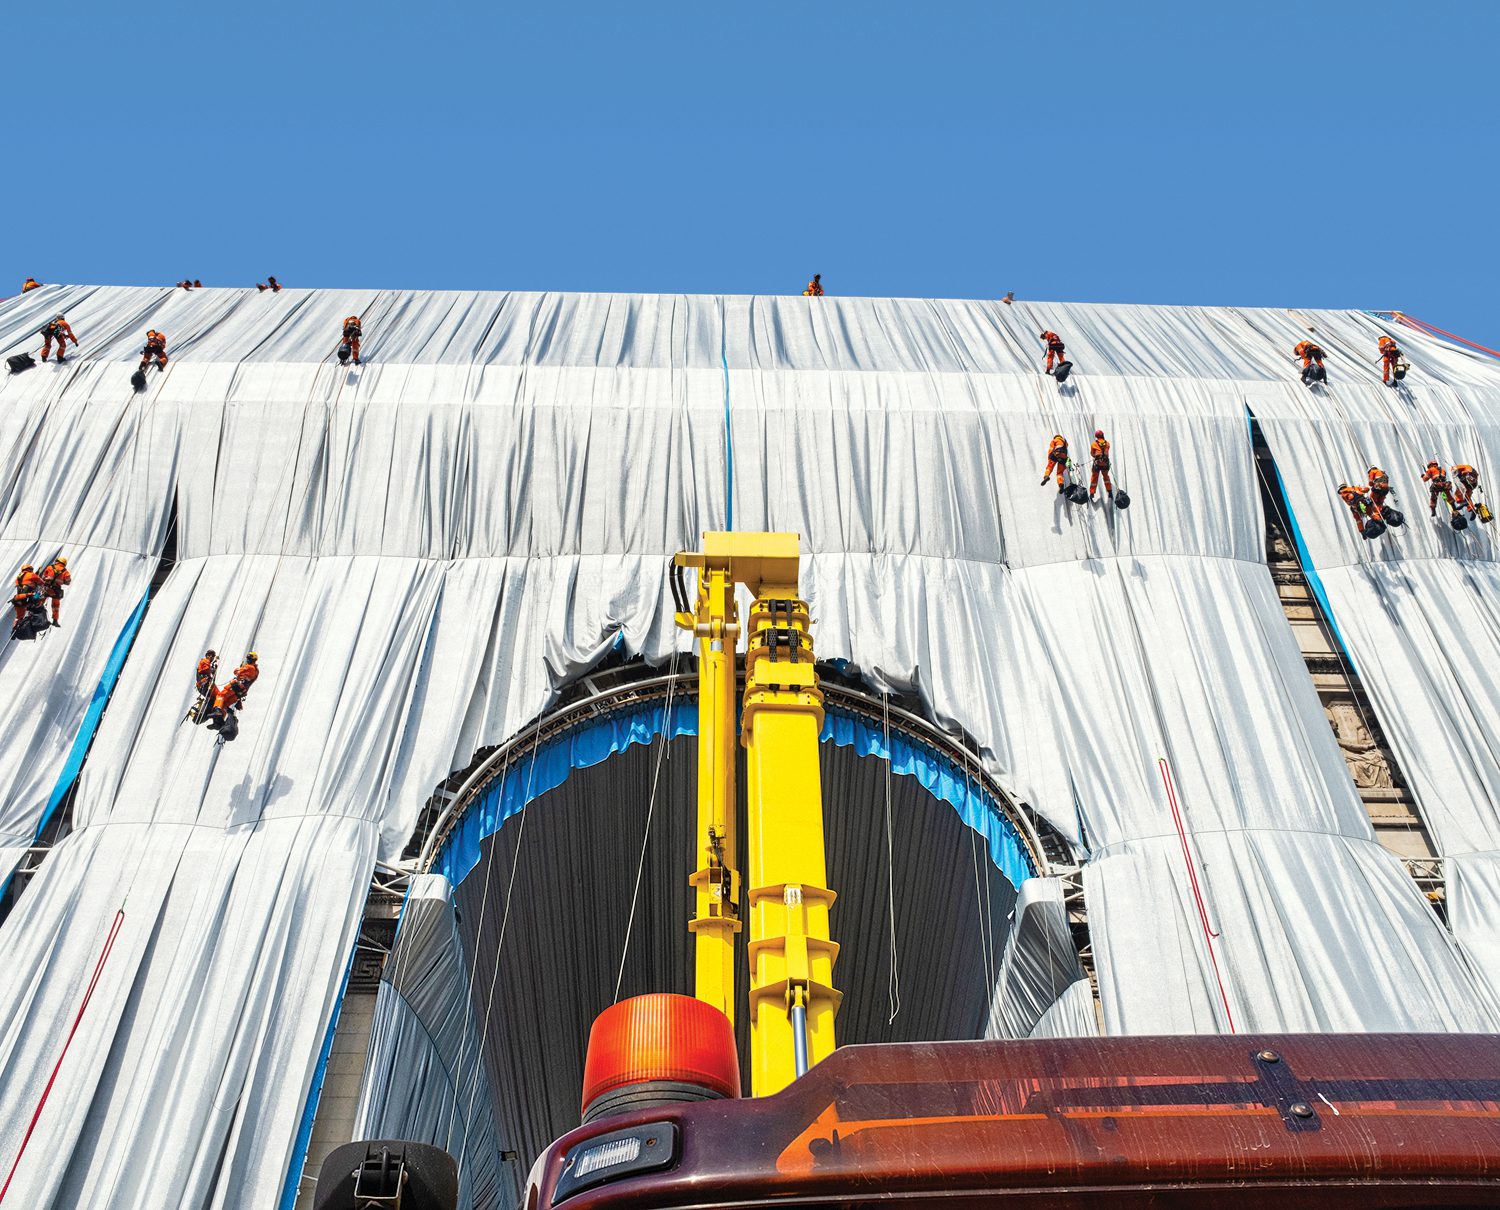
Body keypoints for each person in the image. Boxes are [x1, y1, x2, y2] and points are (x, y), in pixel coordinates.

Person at [208, 651, 259, 729]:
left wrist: (240, 668)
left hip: (236, 686)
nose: (247, 660)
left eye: (248, 658)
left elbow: (236, 671)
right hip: (240, 693)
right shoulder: (255, 671)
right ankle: (218, 722)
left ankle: (217, 710)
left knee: (221, 695)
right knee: (224, 704)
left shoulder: (250, 667)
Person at [39, 555, 70, 626]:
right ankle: (55, 621)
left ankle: (34, 615)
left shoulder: (50, 567)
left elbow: (43, 577)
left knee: (40, 602)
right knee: (55, 606)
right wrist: (61, 581)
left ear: (57, 561)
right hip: (56, 590)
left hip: (47, 588)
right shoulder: (65, 571)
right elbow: (68, 582)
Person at [1088, 430, 1114, 499]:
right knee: (1106, 477)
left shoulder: (1094, 444)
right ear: (1102, 435)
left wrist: (1096, 456)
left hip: (1097, 464)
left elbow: (1092, 453)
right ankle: (1110, 491)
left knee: (1094, 477)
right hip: (1105, 464)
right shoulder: (1108, 443)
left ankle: (1092, 493)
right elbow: (1106, 451)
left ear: (1096, 437)